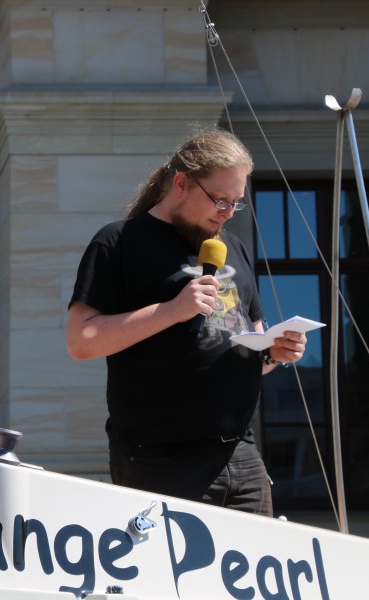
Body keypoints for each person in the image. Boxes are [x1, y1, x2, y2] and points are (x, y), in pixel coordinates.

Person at [66, 129, 306, 516]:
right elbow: (81, 340)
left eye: (236, 204)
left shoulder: (233, 248)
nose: (227, 213)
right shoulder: (119, 242)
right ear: (181, 183)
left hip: (241, 456)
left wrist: (276, 352)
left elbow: (250, 346)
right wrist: (172, 310)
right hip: (160, 457)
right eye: (220, 200)